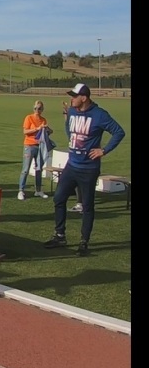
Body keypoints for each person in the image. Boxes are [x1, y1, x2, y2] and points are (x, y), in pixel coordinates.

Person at [43, 83, 126, 256]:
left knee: (87, 206)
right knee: (59, 198)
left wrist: (104, 150)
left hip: (88, 169)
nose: (71, 99)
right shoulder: (72, 112)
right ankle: (60, 235)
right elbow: (70, 131)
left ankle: (84, 242)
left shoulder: (99, 114)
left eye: (74, 96)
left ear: (84, 98)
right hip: (71, 165)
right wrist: (67, 120)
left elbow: (119, 132)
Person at [18, 100, 53, 200]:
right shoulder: (29, 118)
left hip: (40, 146)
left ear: (42, 109)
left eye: (39, 108)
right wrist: (37, 128)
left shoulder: (43, 120)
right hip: (29, 145)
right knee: (25, 169)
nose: (37, 110)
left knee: (39, 169)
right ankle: (21, 190)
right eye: (35, 108)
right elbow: (25, 131)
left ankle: (38, 190)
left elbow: (47, 132)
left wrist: (47, 129)